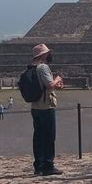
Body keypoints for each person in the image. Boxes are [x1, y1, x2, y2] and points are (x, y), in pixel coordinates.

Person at [30, 44, 64, 176]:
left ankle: (38, 166)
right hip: (46, 106)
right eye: (47, 53)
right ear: (43, 55)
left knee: (38, 137)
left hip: (35, 106)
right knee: (49, 137)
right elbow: (49, 84)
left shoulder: (32, 67)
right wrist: (57, 79)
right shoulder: (43, 67)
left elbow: (46, 86)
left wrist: (55, 85)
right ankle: (48, 165)